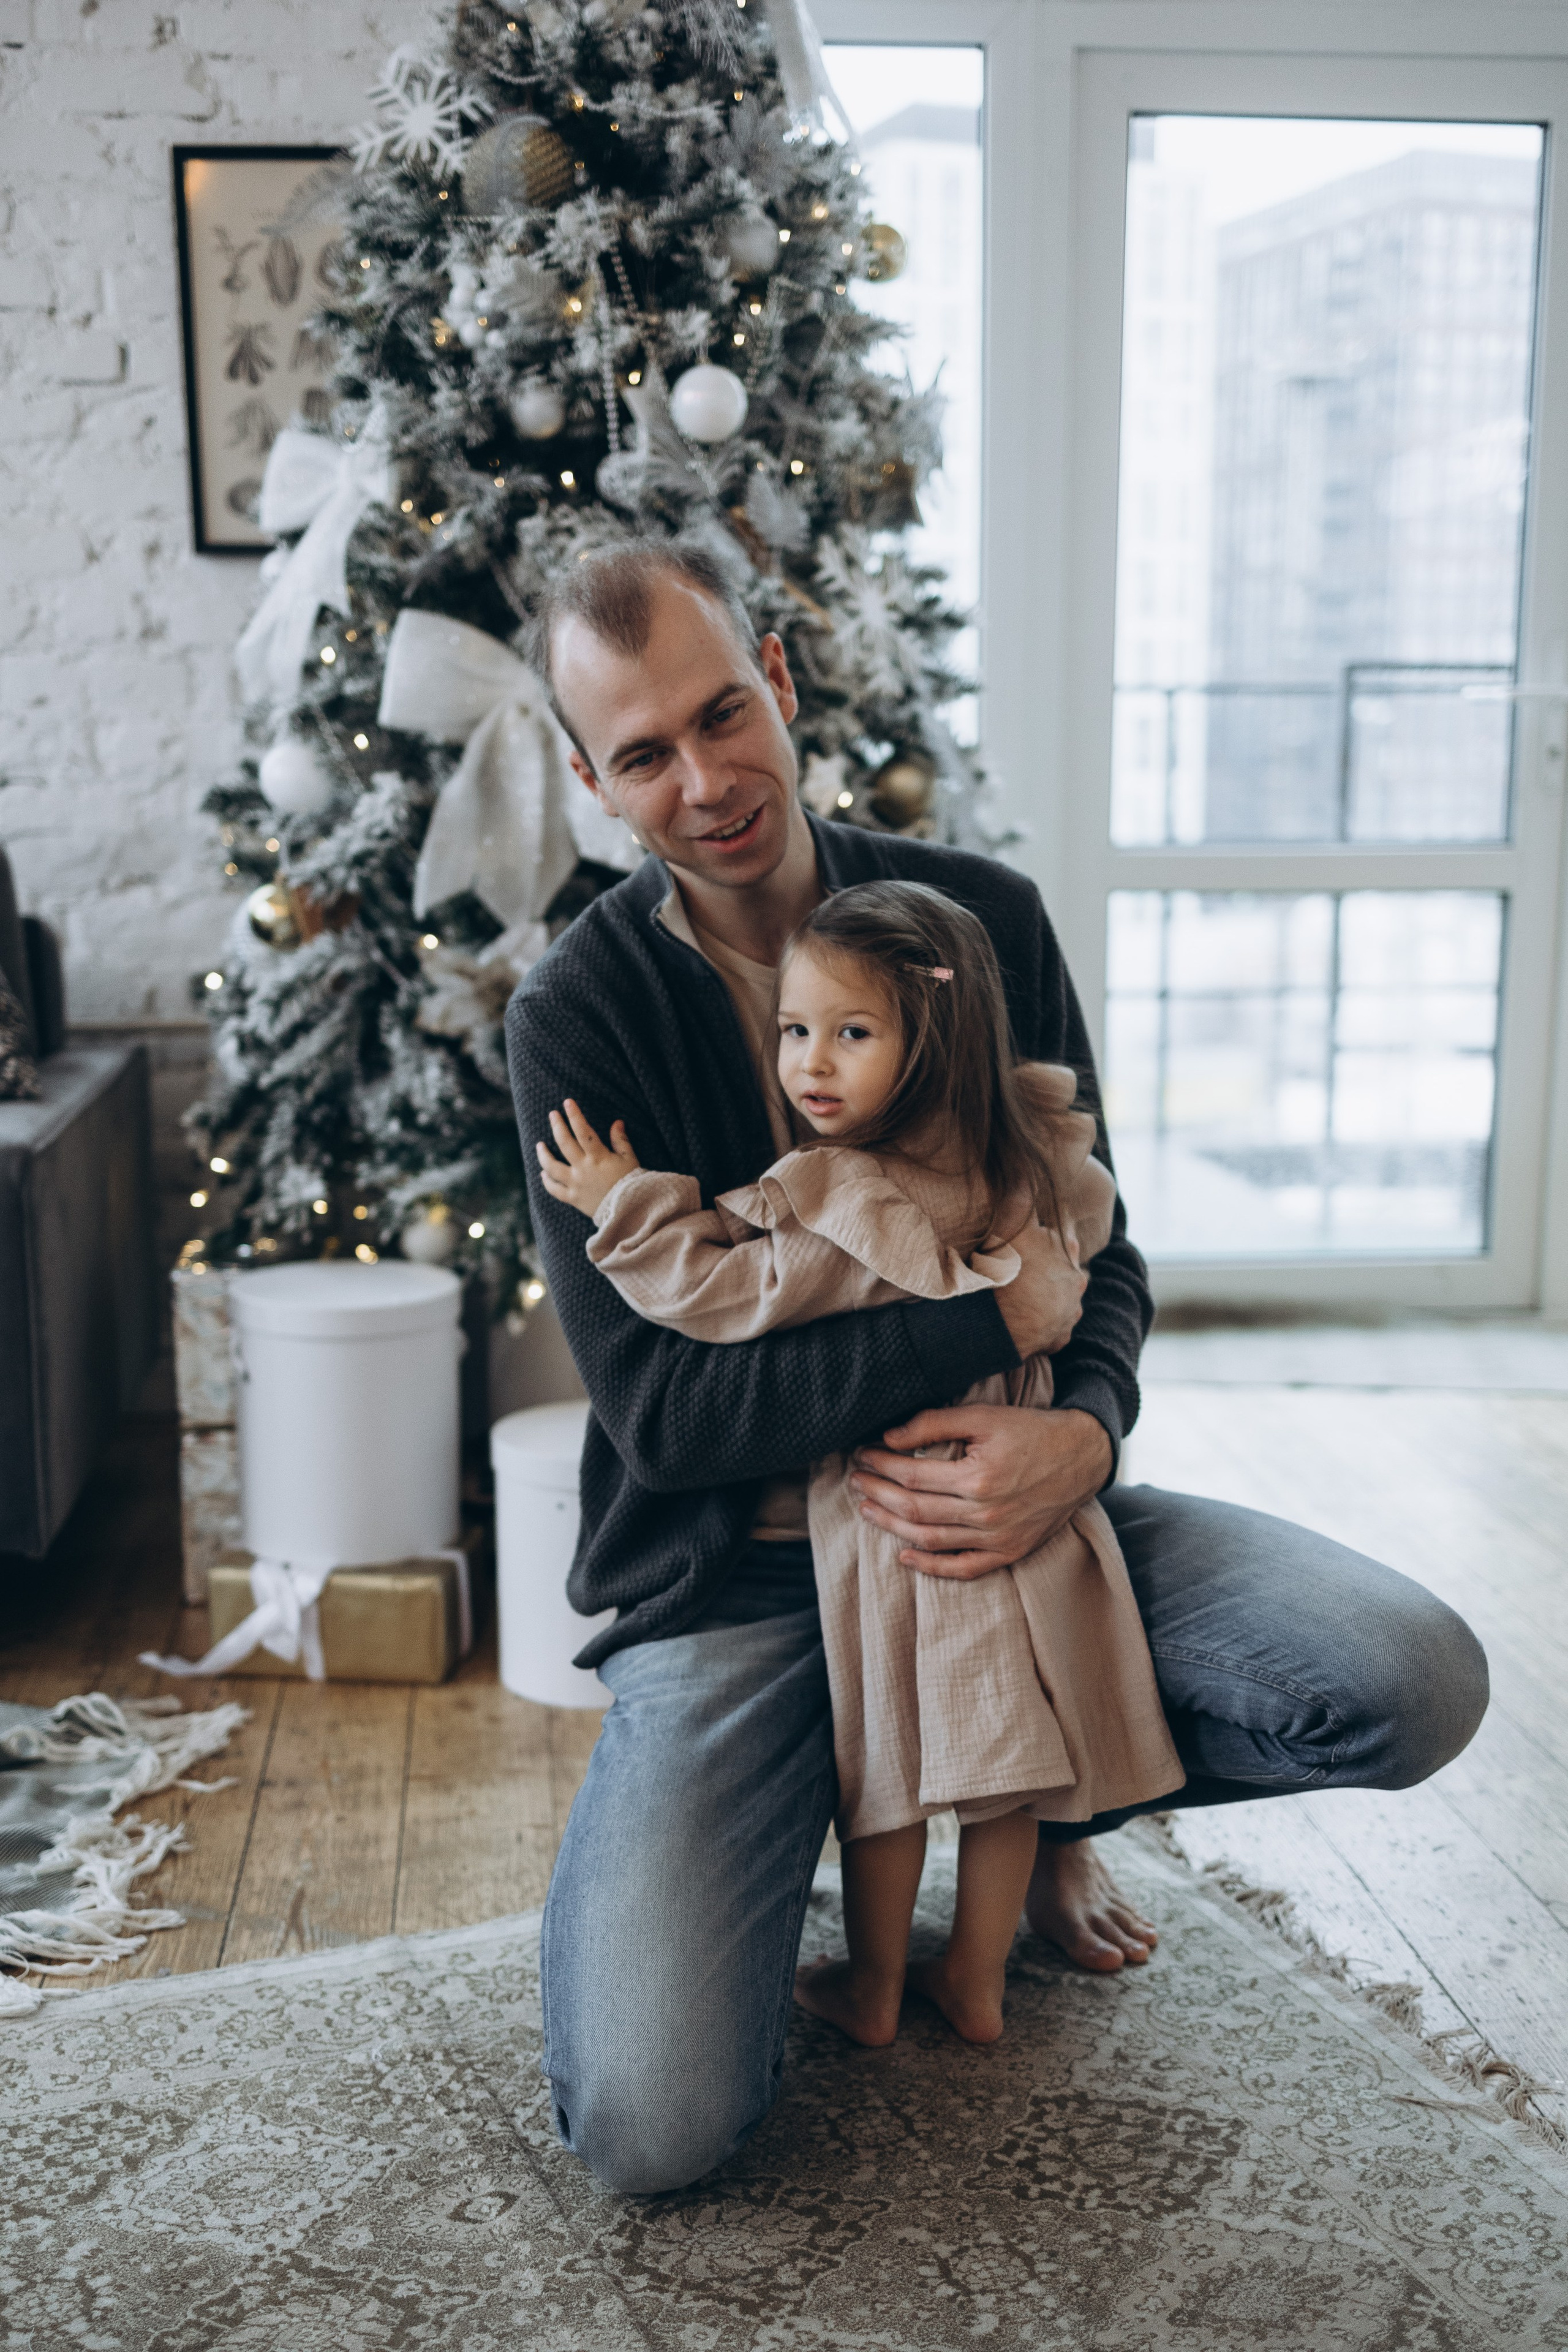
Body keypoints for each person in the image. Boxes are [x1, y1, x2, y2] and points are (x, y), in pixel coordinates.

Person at [505, 539, 1489, 2193]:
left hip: (1013, 1528)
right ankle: (822, 1807)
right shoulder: (581, 1012)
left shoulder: (981, 924)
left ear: (780, 679)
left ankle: (1035, 1799)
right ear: (590, 780)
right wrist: (981, 1326)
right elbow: (669, 1417)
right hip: (743, 1585)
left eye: (723, 713)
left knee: (1407, 1682)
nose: (708, 781)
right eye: (645, 754)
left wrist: (1081, 1439)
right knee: (647, 2127)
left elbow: (1098, 1261)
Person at [535, 877, 1186, 2047]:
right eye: (795, 1031)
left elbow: (722, 1292)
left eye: (851, 1034)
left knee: (890, 1765)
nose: (810, 1066)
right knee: (1008, 1762)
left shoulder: (848, 1197)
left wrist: (620, 1203)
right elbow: (1095, 1249)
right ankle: (976, 1980)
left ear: (931, 1041)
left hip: (898, 1524)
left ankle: (875, 1984)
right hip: (1029, 1526)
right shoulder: (1033, 1153)